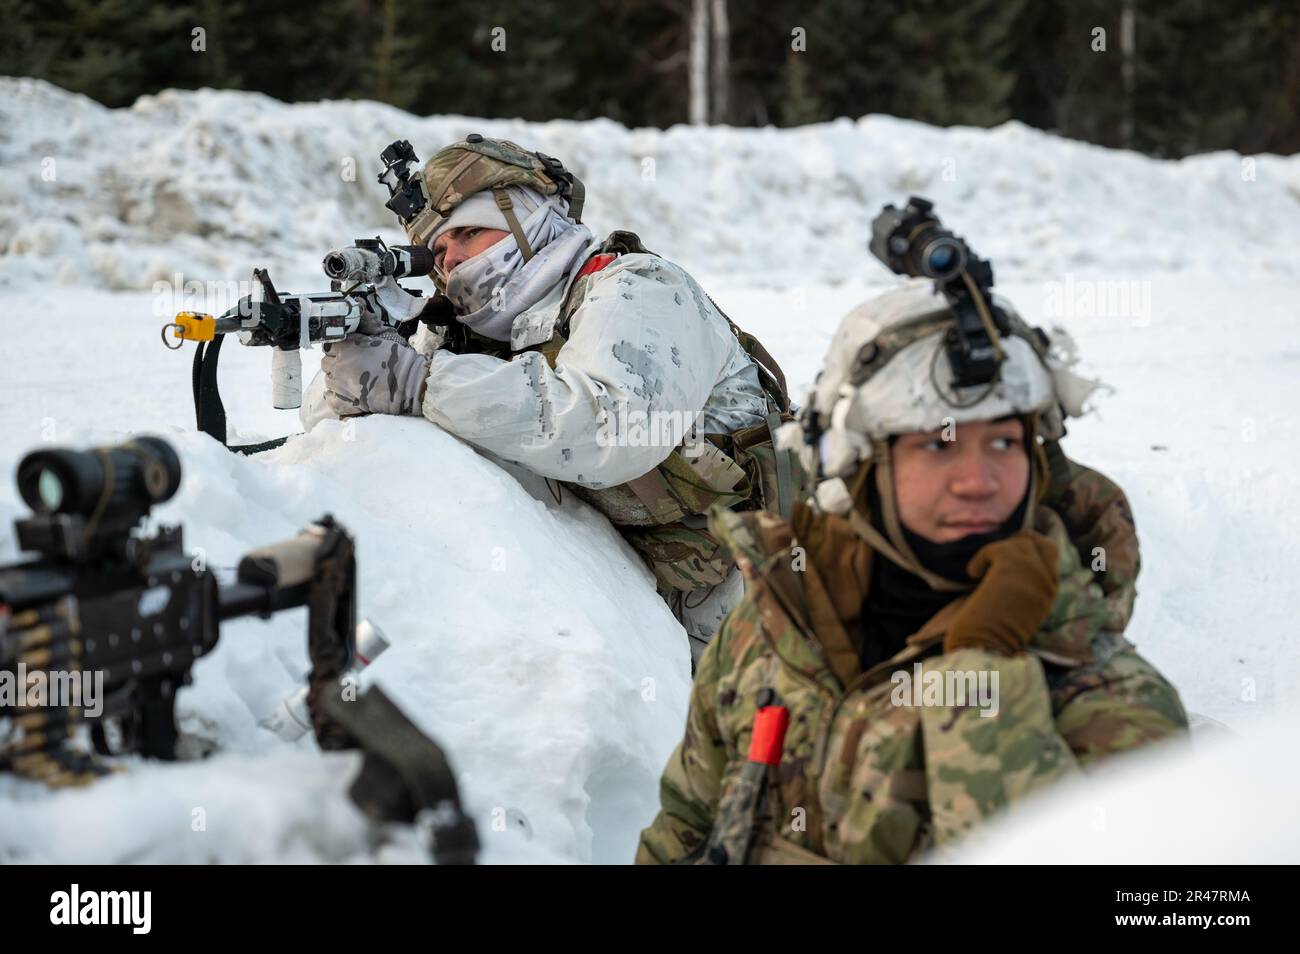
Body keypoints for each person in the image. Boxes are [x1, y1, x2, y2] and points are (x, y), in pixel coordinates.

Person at [636, 278, 1188, 864]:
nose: (977, 480)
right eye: (937, 446)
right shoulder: (771, 630)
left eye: (1004, 442)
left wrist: (981, 672)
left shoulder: (1118, 706)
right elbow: (684, 825)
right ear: (863, 462)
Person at [300, 135, 795, 664]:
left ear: (529, 218)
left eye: (469, 232)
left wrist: (423, 382)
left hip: (764, 628)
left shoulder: (637, 287)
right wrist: (370, 345)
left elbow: (611, 425)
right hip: (617, 633)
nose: (455, 261)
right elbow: (340, 423)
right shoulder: (466, 334)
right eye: (439, 252)